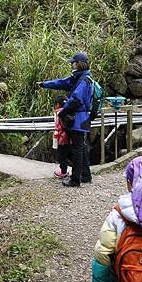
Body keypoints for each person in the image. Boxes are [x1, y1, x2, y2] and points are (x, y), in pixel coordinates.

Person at [37, 52, 93, 187]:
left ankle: (75, 180)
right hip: (80, 117)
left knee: (77, 148)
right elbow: (62, 82)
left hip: (79, 118)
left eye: (73, 63)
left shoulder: (84, 80)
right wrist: (45, 84)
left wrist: (63, 111)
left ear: (79, 64)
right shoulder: (78, 78)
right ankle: (85, 175)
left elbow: (76, 99)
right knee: (81, 147)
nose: (71, 65)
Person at [53, 95, 71, 179]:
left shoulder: (59, 113)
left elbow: (58, 126)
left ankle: (63, 172)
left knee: (62, 155)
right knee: (69, 154)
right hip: (70, 136)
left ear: (57, 104)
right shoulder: (69, 111)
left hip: (62, 137)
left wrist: (56, 136)